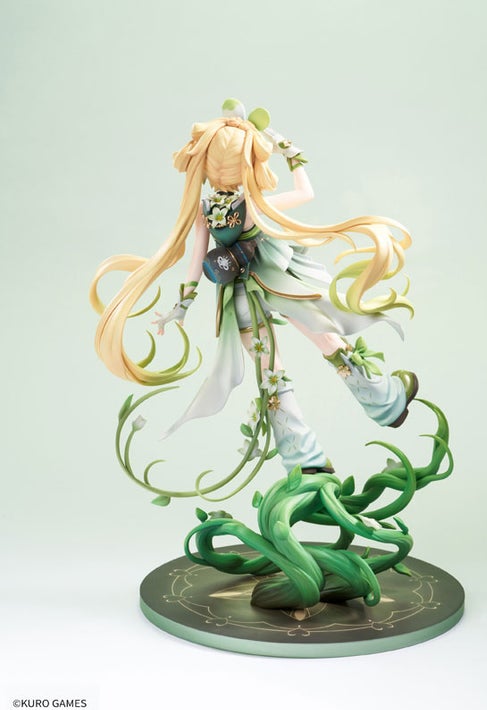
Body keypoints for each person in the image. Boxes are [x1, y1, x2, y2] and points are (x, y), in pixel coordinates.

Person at [90, 99, 418, 477]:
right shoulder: (252, 204)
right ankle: (385, 403)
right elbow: (306, 192)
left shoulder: (205, 210)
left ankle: (305, 460)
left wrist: (182, 305)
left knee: (271, 373)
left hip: (240, 297)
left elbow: (196, 260)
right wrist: (289, 150)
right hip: (280, 283)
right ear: (249, 162)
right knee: (327, 338)